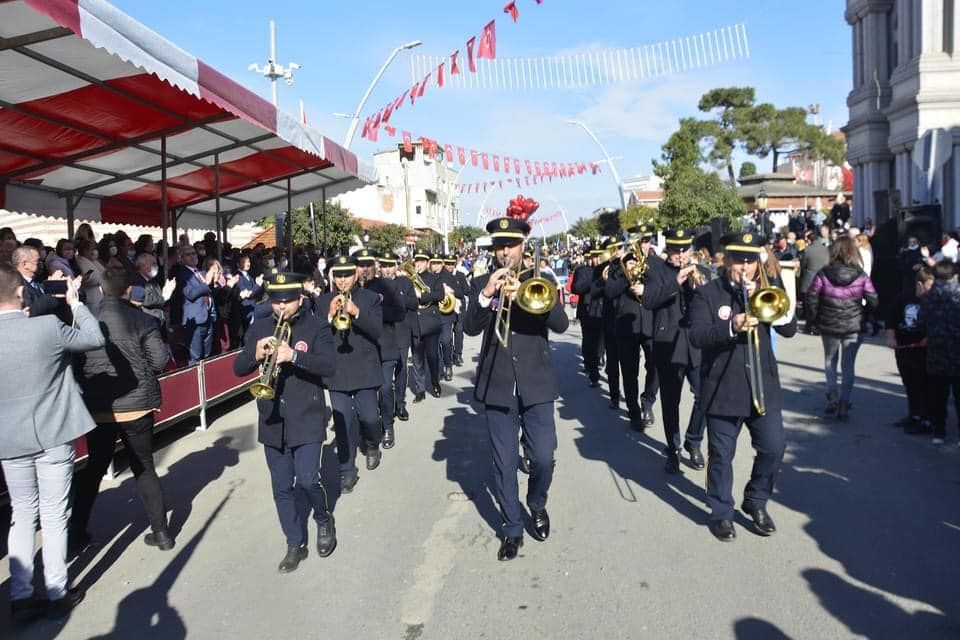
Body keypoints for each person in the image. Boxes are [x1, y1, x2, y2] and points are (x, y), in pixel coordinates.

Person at [0, 267, 104, 621]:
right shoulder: (45, 327)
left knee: (22, 514)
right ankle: (57, 591)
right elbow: (94, 338)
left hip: (9, 440)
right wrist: (75, 303)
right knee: (54, 515)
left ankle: (21, 596)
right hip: (54, 434)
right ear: (19, 294)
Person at [463, 217, 569, 561]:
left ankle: (536, 503)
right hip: (497, 384)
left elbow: (561, 323)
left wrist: (528, 298)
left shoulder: (541, 279)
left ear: (524, 245)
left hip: (536, 383)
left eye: (511, 244)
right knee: (504, 462)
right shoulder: (483, 281)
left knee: (543, 457)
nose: (504, 251)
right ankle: (511, 528)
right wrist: (487, 295)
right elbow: (468, 328)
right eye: (499, 245)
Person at [688, 232, 797, 542]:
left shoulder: (765, 288)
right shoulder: (707, 293)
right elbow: (697, 337)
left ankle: (756, 500)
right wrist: (730, 327)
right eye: (740, 261)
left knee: (774, 448)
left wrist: (776, 293)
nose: (746, 267)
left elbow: (788, 330)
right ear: (726, 261)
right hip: (724, 387)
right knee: (720, 456)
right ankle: (720, 511)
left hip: (763, 386)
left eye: (751, 261)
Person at [233, 271, 338, 573]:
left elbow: (329, 366)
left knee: (307, 479)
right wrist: (254, 353)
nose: (281, 308)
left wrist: (293, 356)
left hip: (307, 415)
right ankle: (295, 543)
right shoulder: (261, 326)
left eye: (287, 301)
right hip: (272, 419)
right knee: (281, 487)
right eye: (276, 301)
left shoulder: (316, 326)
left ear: (300, 298)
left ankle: (322, 517)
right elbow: (238, 368)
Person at [70, 268, 172, 553]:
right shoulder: (143, 319)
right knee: (144, 466)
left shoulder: (85, 320)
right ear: (129, 290)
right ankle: (162, 534)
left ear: (101, 290)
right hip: (137, 406)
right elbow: (161, 360)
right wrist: (142, 376)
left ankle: (75, 533)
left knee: (93, 471)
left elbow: (75, 363)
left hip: (101, 406)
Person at [642, 229, 709, 473]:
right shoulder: (656, 270)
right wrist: (675, 282)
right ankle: (673, 448)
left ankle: (694, 441)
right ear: (668, 250)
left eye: (685, 250)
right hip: (668, 342)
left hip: (697, 344)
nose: (680, 255)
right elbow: (649, 300)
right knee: (671, 401)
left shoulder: (701, 271)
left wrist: (700, 282)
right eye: (675, 250)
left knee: (705, 395)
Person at [317, 255, 384, 493]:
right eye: (338, 276)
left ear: (355, 275)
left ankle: (373, 441)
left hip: (365, 368)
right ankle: (347, 471)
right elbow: (316, 337)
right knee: (343, 423)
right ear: (332, 278)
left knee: (369, 418)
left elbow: (377, 332)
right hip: (337, 372)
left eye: (347, 275)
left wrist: (356, 313)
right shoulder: (323, 300)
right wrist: (327, 317)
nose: (343, 280)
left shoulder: (371, 298)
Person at [806, 236, 879, 420]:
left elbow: (811, 297)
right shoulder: (860, 275)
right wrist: (866, 315)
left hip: (828, 324)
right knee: (848, 366)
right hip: (854, 325)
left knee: (830, 360)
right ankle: (844, 403)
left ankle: (832, 396)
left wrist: (815, 318)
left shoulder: (823, 273)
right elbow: (874, 299)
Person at [604, 229, 657, 431]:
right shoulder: (618, 266)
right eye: (640, 241)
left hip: (650, 322)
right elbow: (609, 292)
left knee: (655, 366)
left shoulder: (655, 263)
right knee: (629, 371)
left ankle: (648, 401)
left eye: (646, 241)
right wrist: (628, 274)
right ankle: (634, 411)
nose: (643, 245)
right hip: (626, 325)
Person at [356, 249, 402, 449]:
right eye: (361, 265)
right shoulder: (350, 288)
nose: (365, 269)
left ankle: (388, 425)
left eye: (368, 265)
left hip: (385, 346)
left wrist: (374, 313)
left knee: (384, 389)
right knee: (363, 394)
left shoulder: (386, 286)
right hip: (360, 350)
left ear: (375, 266)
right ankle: (367, 430)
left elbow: (399, 313)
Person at [886, 268, 934, 434]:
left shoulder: (934, 301)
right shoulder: (904, 297)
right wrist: (891, 337)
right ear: (920, 284)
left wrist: (930, 337)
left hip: (924, 349)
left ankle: (927, 419)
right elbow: (891, 319)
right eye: (929, 285)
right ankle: (914, 414)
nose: (931, 289)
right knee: (910, 383)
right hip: (904, 347)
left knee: (925, 385)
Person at [920, 261, 960, 445]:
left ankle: (939, 432)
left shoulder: (929, 297)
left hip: (936, 351)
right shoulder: (957, 295)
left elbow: (921, 320)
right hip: (957, 352)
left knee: (938, 395)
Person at [171, 244, 216, 364]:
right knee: (195, 357)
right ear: (181, 258)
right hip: (194, 321)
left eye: (194, 253)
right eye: (188, 254)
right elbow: (190, 294)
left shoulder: (200, 272)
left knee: (206, 355)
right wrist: (207, 282)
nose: (193, 256)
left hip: (207, 317)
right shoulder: (181, 274)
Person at [385, 254, 417, 421]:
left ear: (395, 267)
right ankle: (386, 406)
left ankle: (400, 404)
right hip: (382, 335)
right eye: (384, 266)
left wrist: (399, 297)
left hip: (401, 333)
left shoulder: (405, 282)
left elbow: (414, 304)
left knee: (401, 370)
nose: (387, 269)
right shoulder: (374, 285)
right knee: (384, 376)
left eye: (390, 265)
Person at [409, 251, 445, 400]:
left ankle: (435, 382)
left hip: (431, 324)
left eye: (423, 261)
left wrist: (422, 296)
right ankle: (420, 390)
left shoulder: (435, 278)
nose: (419, 264)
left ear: (428, 262)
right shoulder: (409, 280)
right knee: (417, 359)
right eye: (417, 261)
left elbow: (440, 295)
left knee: (432, 356)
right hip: (415, 323)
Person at [570, 245, 604, 387]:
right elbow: (575, 288)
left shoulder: (608, 269)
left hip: (604, 311)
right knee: (589, 341)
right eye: (593, 257)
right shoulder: (582, 270)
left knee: (601, 342)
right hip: (587, 311)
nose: (595, 260)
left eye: (598, 256)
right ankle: (593, 371)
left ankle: (598, 359)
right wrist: (592, 278)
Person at [600, 239, 625, 408]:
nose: (617, 251)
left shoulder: (633, 264)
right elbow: (607, 292)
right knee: (613, 362)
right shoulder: (604, 269)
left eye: (620, 248)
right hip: (610, 320)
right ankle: (614, 396)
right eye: (613, 249)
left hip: (629, 322)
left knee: (630, 367)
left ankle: (637, 402)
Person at [432, 253, 460, 381]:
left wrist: (451, 290)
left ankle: (448, 365)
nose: (435, 266)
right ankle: (438, 368)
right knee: (434, 343)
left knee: (446, 340)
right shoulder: (427, 277)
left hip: (446, 314)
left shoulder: (449, 277)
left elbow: (460, 292)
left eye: (438, 263)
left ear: (441, 263)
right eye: (433, 263)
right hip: (431, 314)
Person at [12, 245, 61, 318]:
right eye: (37, 261)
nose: (41, 263)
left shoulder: (37, 280)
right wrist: (52, 289)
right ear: (24, 264)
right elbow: (30, 310)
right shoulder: (17, 284)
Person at [799, 223, 831, 334]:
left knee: (809, 306)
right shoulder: (826, 249)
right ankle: (819, 326)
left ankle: (809, 326)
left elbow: (803, 265)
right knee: (821, 304)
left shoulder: (807, 250)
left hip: (809, 280)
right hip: (823, 280)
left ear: (809, 240)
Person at [133, 252, 176, 328]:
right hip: (147, 323)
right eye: (153, 264)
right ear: (143, 266)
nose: (156, 267)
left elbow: (159, 299)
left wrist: (166, 292)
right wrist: (165, 296)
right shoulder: (137, 282)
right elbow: (145, 300)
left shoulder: (153, 281)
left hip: (159, 321)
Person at [445, 254, 469, 367]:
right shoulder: (441, 276)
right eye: (447, 264)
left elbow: (467, 291)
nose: (449, 266)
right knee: (446, 335)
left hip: (458, 307)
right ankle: (448, 355)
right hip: (446, 308)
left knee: (459, 331)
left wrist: (453, 291)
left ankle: (458, 354)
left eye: (451, 264)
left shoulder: (460, 275)